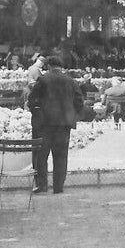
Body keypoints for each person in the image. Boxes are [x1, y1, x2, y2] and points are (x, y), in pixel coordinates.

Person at [26, 55, 84, 194]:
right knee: (61, 156)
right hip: (64, 124)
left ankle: (42, 185)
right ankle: (58, 187)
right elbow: (79, 101)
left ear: (48, 66)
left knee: (41, 156)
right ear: (61, 66)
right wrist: (72, 115)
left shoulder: (43, 79)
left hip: (44, 124)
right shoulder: (70, 81)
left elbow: (32, 100)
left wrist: (37, 112)